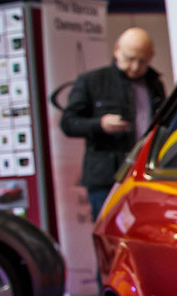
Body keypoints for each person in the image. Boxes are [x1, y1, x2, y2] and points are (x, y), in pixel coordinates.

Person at [61, 27, 165, 219]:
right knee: (109, 230)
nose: (135, 67)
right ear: (117, 50)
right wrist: (100, 125)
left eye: (142, 61)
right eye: (130, 59)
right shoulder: (92, 81)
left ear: (151, 56)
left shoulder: (153, 83)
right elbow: (68, 123)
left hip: (144, 170)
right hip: (106, 177)